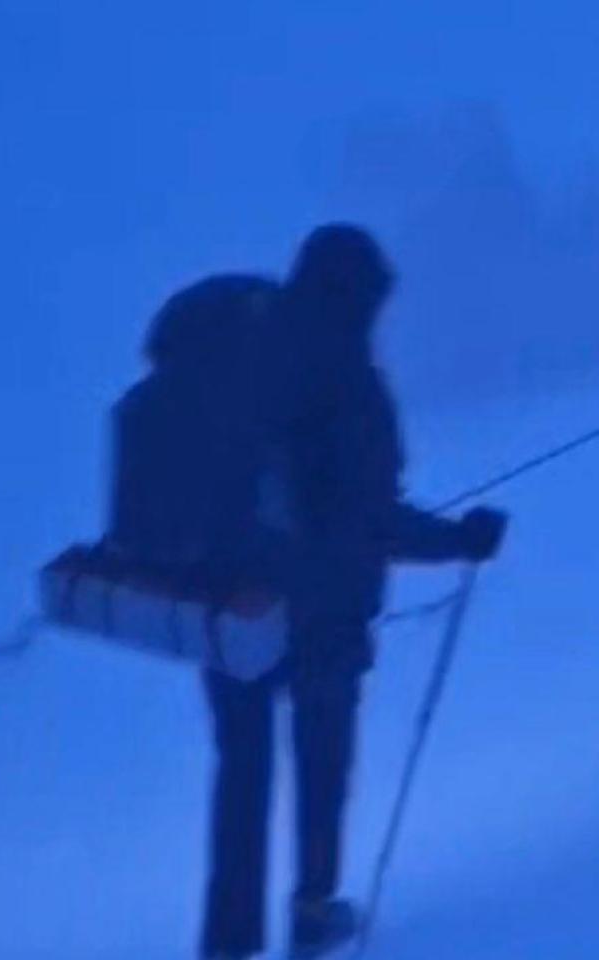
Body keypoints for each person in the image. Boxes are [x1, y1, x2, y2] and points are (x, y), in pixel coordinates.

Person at [114, 227, 509, 960]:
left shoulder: (238, 350)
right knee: (322, 761)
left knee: (242, 771)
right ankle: (312, 909)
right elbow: (372, 519)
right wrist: (462, 540)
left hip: (225, 602)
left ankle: (228, 942)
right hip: (320, 610)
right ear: (357, 296)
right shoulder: (348, 381)